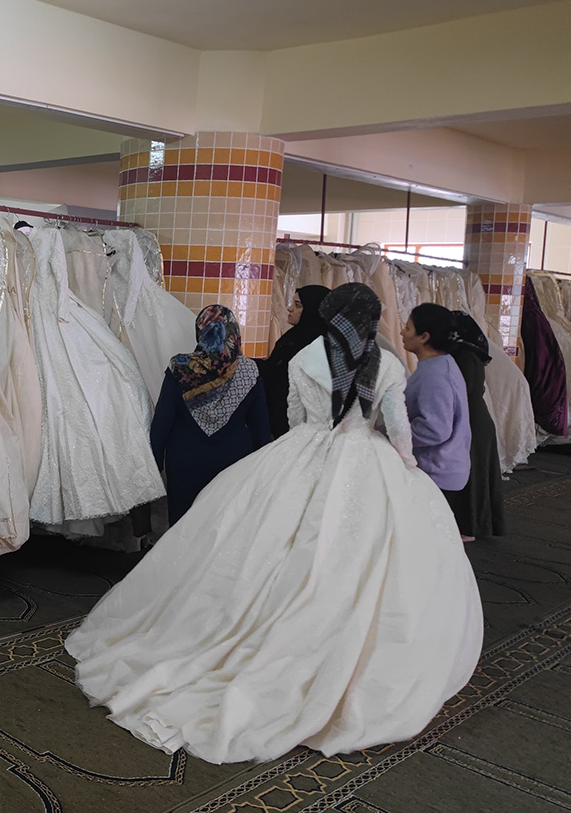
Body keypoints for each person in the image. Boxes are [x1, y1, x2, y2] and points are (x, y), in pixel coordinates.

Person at [65, 282, 482, 764]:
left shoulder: (305, 357)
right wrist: (405, 466)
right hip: (368, 458)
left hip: (302, 453)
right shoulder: (386, 364)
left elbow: (297, 417)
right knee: (361, 557)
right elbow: (399, 429)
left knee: (260, 545)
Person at [150, 305, 271, 525]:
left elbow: (162, 421)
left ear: (201, 332)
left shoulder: (180, 367)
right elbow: (260, 427)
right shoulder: (249, 370)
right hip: (234, 461)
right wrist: (264, 468)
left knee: (183, 527)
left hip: (185, 460)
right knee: (223, 528)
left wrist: (154, 464)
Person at [401, 303, 473, 540]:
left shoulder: (435, 374)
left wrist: (394, 434)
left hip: (436, 469)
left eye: (408, 328)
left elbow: (435, 429)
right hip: (440, 466)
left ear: (424, 337)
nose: (401, 332)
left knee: (426, 539)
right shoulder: (438, 365)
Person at [445, 310, 506, 539]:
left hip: (471, 420)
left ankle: (470, 527)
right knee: (477, 472)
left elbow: (464, 390)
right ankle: (476, 525)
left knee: (473, 474)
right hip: (474, 417)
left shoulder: (464, 356)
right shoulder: (467, 353)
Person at [260, 284, 330, 439]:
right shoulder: (294, 337)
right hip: (279, 419)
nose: (289, 308)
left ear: (313, 310)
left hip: (297, 426)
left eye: (298, 305)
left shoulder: (314, 346)